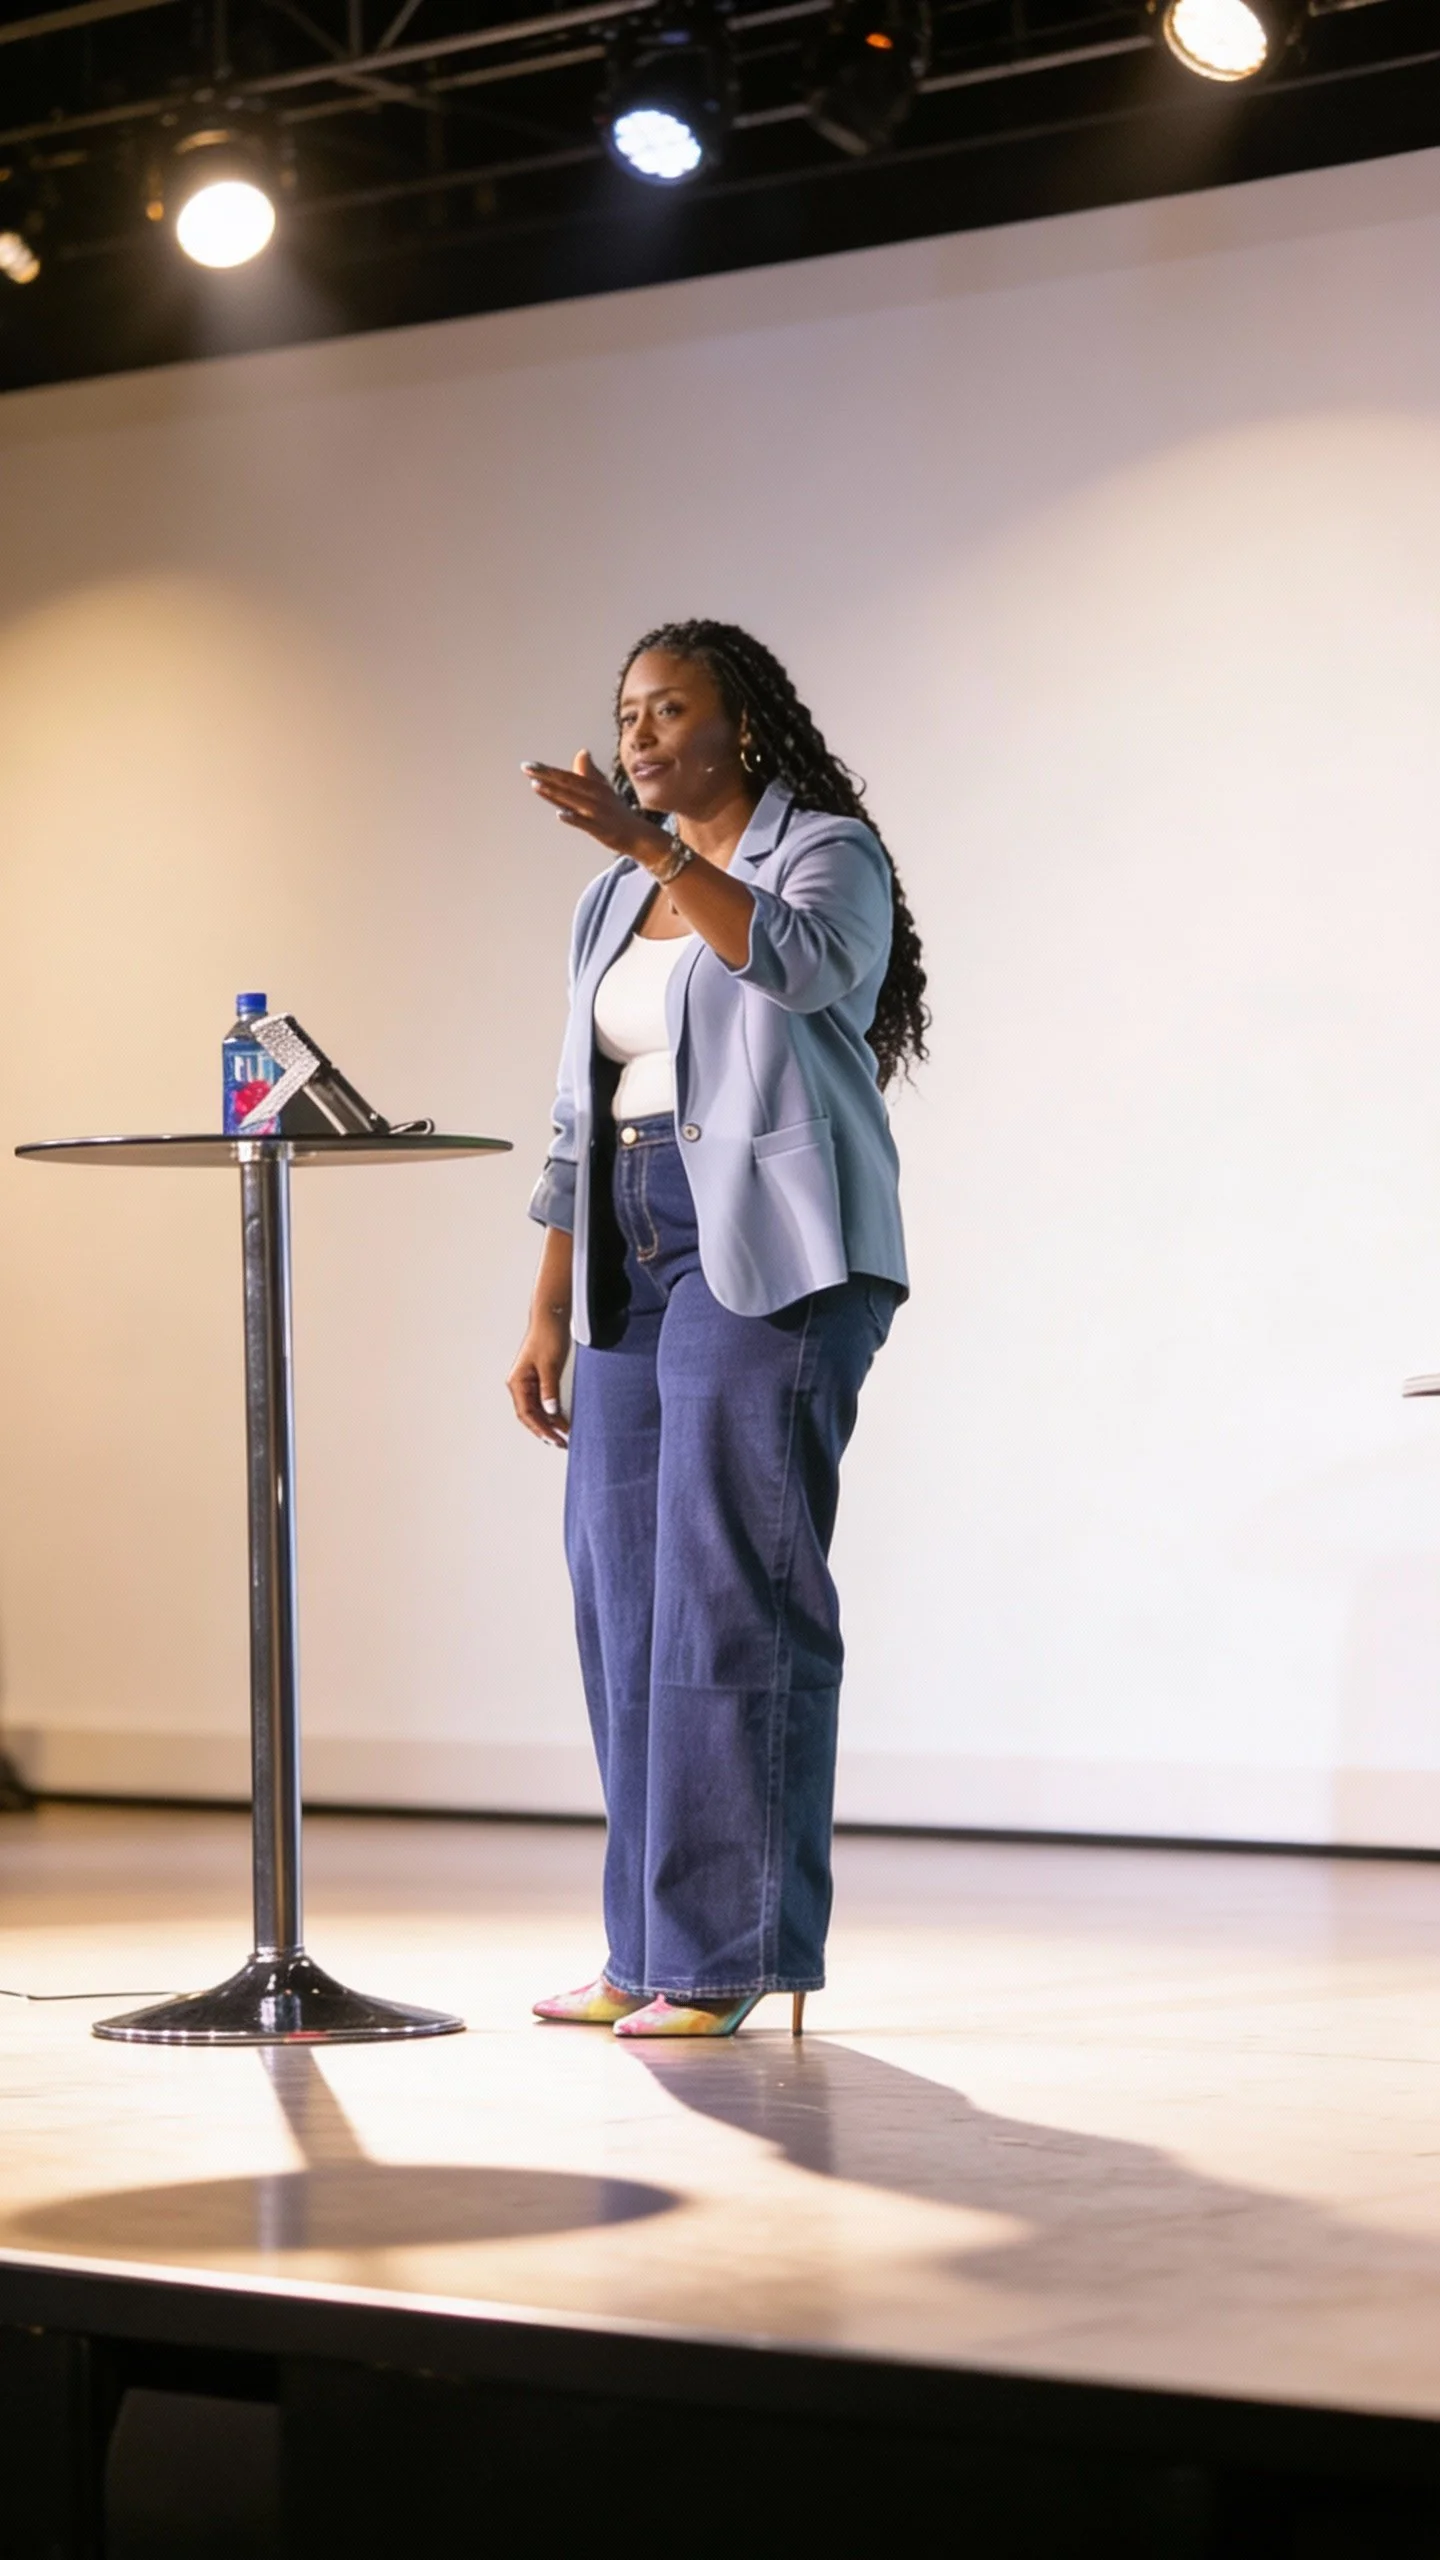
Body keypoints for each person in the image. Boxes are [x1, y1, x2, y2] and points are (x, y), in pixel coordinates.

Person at [508, 619, 927, 2039]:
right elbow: (578, 1111)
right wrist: (550, 1303)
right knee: (622, 1594)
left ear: (739, 726)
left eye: (669, 709)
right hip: (628, 1241)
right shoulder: (606, 903)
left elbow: (799, 970)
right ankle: (644, 1947)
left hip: (776, 1248)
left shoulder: (828, 854)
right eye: (626, 710)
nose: (638, 733)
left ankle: (728, 1954)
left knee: (731, 1592)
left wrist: (655, 850)